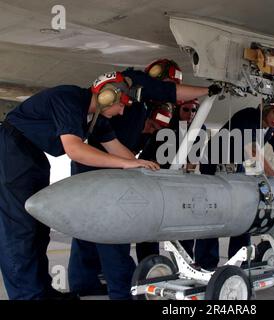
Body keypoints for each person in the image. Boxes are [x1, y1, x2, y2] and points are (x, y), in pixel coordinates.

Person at [68, 59, 221, 299]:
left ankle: (84, 285)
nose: (171, 96)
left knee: (88, 230)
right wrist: (208, 90)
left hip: (98, 168)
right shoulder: (134, 91)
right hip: (104, 169)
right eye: (168, 86)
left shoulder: (142, 104)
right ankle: (122, 292)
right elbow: (113, 143)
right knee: (112, 233)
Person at [0, 71, 157, 300]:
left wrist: (143, 167)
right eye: (122, 104)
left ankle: (42, 292)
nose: (123, 111)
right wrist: (125, 164)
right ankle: (28, 296)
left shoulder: (96, 119)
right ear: (107, 97)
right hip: (12, 150)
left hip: (31, 155)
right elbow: (75, 150)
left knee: (38, 229)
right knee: (20, 230)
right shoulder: (69, 98)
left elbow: (114, 148)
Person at [195, 98, 274, 270]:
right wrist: (273, 175)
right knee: (213, 210)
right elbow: (253, 151)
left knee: (245, 211)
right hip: (213, 162)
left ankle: (238, 262)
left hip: (236, 165)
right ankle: (206, 264)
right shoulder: (248, 117)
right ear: (266, 109)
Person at [137, 99, 205, 262]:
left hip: (180, 184)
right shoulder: (165, 126)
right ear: (177, 111)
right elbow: (147, 156)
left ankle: (185, 264)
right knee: (150, 227)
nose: (190, 114)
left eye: (194, 111)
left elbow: (192, 162)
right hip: (156, 180)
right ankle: (150, 264)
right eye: (186, 110)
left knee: (185, 228)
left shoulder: (198, 129)